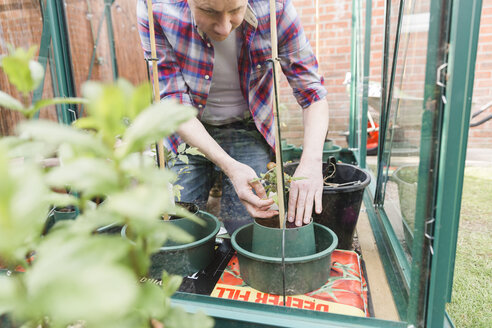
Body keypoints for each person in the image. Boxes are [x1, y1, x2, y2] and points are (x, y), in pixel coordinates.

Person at [137, 0, 329, 234]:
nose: (224, 28)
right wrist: (229, 166)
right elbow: (173, 102)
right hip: (187, 130)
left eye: (236, 11)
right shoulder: (154, 7)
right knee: (180, 228)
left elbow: (312, 92)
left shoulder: (275, 7)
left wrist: (311, 163)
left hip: (247, 127)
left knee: (251, 227)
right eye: (208, 11)